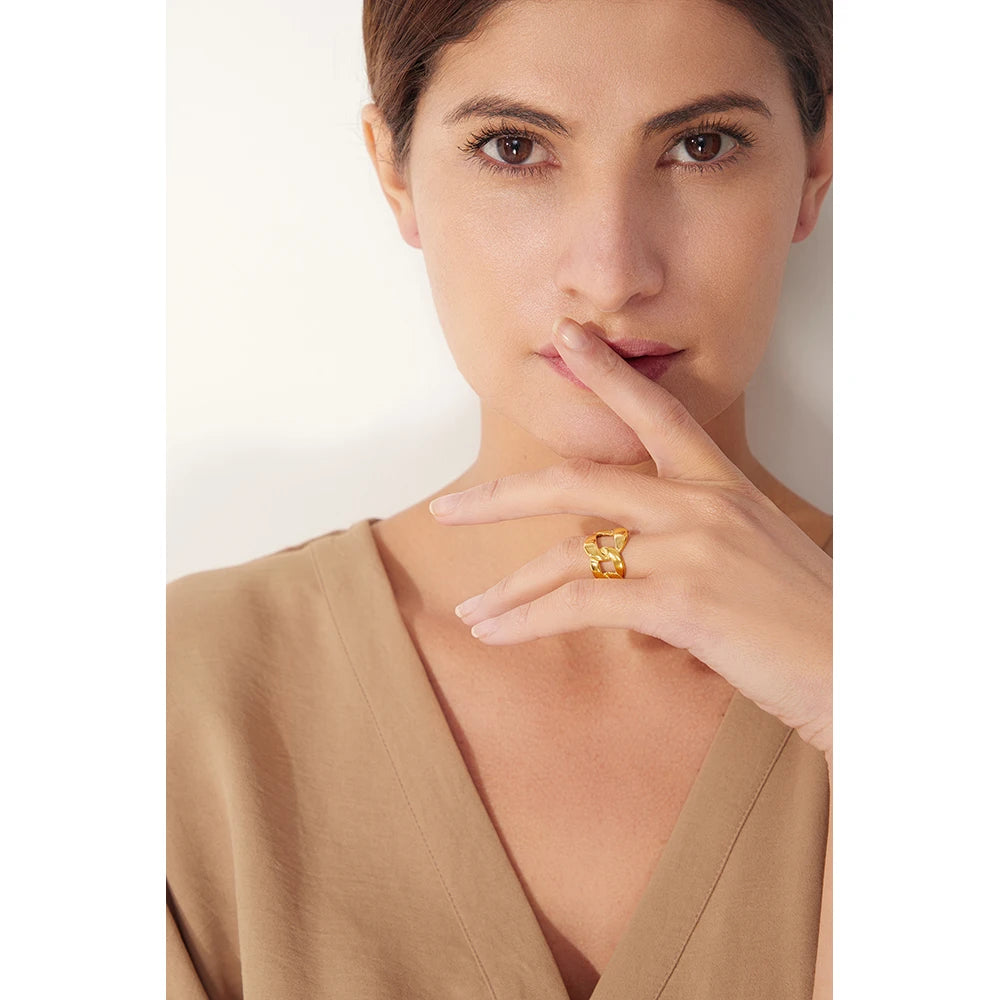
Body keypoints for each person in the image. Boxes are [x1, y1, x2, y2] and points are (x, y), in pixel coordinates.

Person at [167, 1, 833, 998]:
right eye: (513, 147)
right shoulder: (175, 695)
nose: (610, 274)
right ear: (394, 173)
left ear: (814, 169)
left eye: (702, 145)